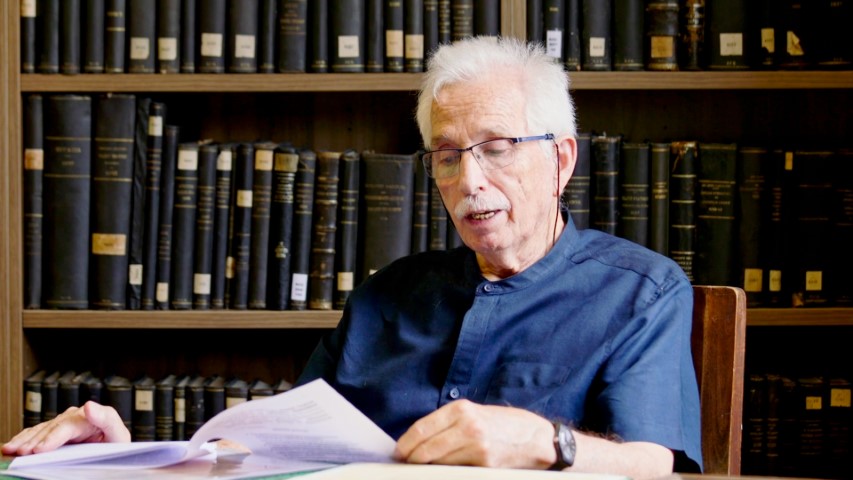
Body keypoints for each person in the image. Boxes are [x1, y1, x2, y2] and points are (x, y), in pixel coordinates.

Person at [3, 37, 701, 479]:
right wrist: (126, 455)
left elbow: (655, 461)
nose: (469, 180)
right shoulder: (387, 294)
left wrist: (548, 443)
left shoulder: (641, 291)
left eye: (495, 148)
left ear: (561, 160)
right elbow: (277, 449)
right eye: (447, 156)